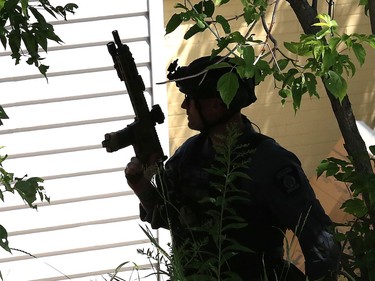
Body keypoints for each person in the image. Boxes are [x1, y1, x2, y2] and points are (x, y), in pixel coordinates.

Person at [125, 56, 340, 281]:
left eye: (191, 98)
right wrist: (141, 185)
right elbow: (171, 215)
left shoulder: (269, 163)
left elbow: (321, 242)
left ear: (217, 105)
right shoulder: (189, 154)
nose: (184, 105)